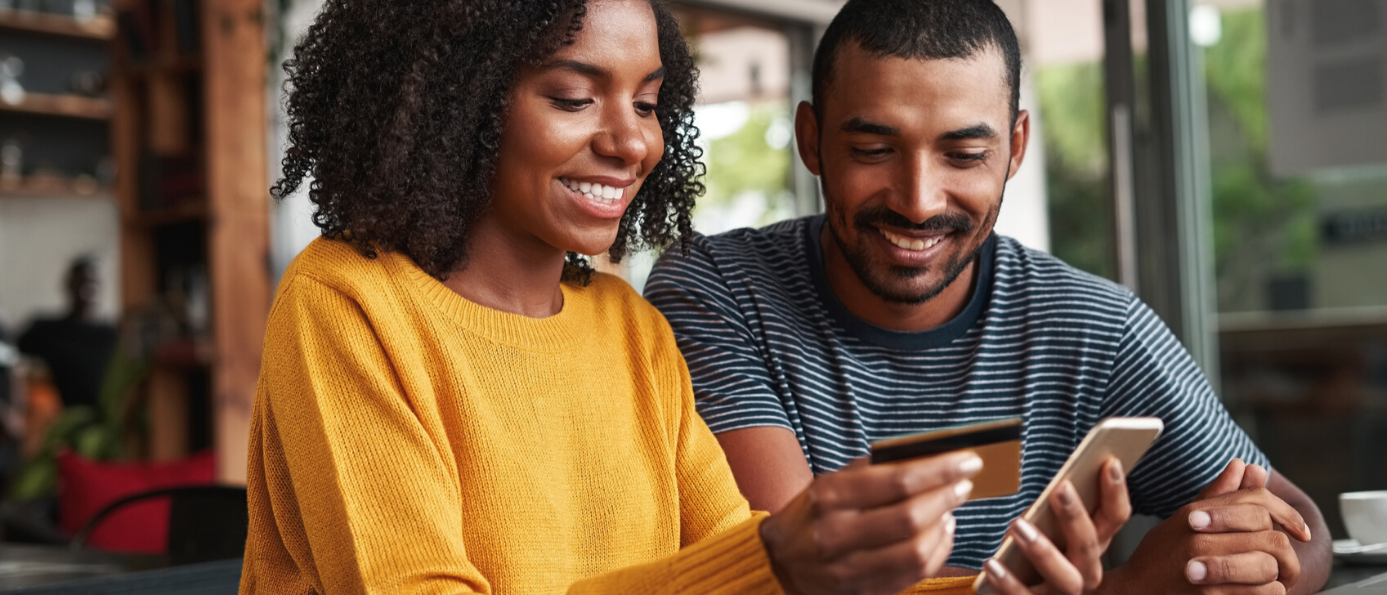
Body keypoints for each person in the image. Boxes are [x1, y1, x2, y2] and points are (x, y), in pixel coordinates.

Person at [239, 1, 1043, 593]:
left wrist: (995, 588)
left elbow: (738, 562)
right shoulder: (346, 303)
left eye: (649, 103)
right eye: (573, 97)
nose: (631, 141)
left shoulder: (628, 328)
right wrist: (775, 560)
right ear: (457, 103)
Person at [644, 0, 1331, 593]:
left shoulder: (1093, 328)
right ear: (811, 140)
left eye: (963, 155)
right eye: (874, 149)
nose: (917, 201)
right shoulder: (719, 293)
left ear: (1015, 147)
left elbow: (1301, 535)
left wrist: (1221, 558)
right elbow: (808, 573)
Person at [17, 257, 117, 409]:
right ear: (70, 284)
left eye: (93, 282)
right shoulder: (46, 331)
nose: (87, 287)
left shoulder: (113, 335)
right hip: (62, 419)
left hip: (105, 419)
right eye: (81, 281)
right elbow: (10, 355)